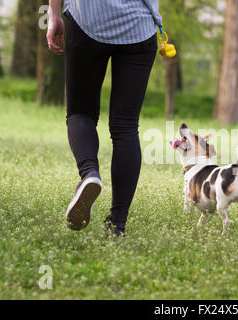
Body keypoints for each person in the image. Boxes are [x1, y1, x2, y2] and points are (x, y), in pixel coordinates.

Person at [46, 0, 162, 237]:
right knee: (126, 127)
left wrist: (54, 14)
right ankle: (117, 224)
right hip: (139, 26)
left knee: (80, 112)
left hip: (88, 20)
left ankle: (89, 174)